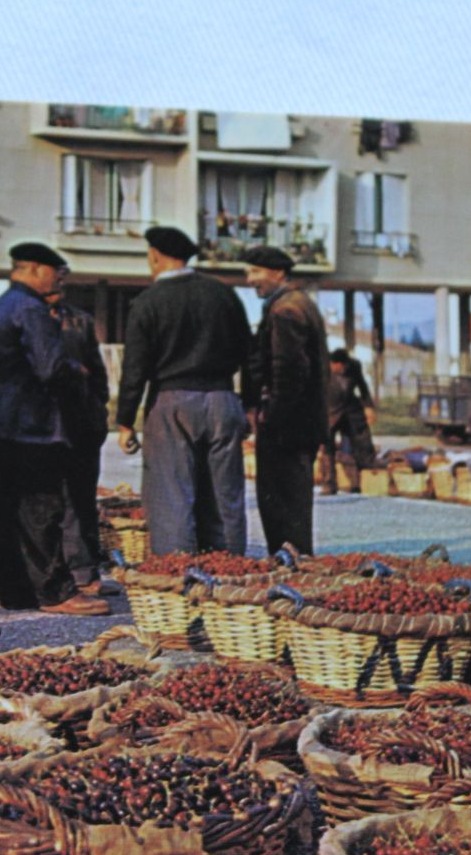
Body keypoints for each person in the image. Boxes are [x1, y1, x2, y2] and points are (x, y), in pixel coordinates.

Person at [0, 242, 107, 616]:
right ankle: (55, 592)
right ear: (34, 269)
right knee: (41, 510)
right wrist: (79, 373)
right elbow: (51, 368)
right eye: (54, 271)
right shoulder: (32, 310)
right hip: (29, 425)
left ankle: (16, 592)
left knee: (4, 511)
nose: (57, 279)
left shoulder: (0, 306)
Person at [116, 225, 253, 557]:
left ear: (155, 256)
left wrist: (124, 422)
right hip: (223, 399)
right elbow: (251, 355)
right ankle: (230, 570)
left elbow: (135, 368)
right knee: (225, 494)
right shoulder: (223, 294)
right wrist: (247, 406)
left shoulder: (148, 302)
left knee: (171, 494)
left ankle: (178, 575)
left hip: (171, 402)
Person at [241, 246, 330, 554]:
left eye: (255, 272)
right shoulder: (296, 303)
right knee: (293, 509)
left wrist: (270, 417)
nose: (250, 280)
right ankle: (293, 565)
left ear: (277, 273)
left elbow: (288, 371)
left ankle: (290, 574)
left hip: (287, 429)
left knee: (284, 511)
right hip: (299, 426)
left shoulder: (286, 310)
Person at [46, 261, 111, 595]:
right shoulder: (21, 318)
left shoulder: (80, 321)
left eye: (62, 278)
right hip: (40, 427)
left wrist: (98, 414)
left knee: (81, 500)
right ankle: (51, 575)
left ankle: (84, 572)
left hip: (80, 424)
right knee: (45, 502)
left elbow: (98, 376)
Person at [324, 348, 378, 494]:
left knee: (361, 443)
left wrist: (369, 407)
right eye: (337, 367)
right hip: (329, 409)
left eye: (343, 367)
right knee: (328, 448)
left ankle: (363, 481)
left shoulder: (354, 366)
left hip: (350, 409)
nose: (340, 370)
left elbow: (363, 387)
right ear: (331, 364)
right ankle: (330, 483)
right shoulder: (322, 367)